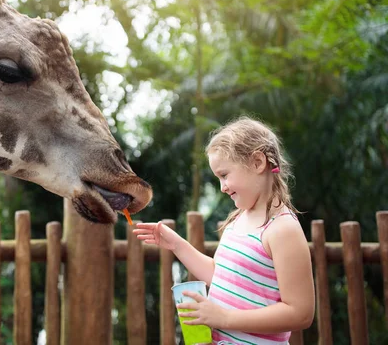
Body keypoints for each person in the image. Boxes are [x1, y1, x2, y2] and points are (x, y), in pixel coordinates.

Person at [133, 116, 315, 345]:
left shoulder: (282, 229)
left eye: (225, 175)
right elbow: (219, 275)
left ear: (258, 162)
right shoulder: (238, 220)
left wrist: (225, 318)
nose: (222, 187)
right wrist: (177, 245)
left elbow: (300, 313)